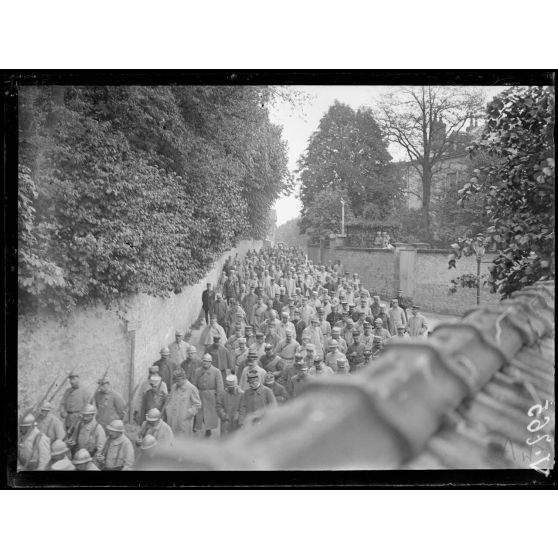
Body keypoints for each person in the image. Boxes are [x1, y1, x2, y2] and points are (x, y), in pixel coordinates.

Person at [193, 353, 224, 437]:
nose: (204, 363)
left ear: (210, 362)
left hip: (211, 396)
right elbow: (194, 384)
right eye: (203, 361)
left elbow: (220, 386)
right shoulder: (197, 371)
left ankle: (208, 429)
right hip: (200, 394)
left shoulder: (216, 371)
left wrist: (219, 398)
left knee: (209, 414)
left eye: (207, 361)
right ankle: (198, 426)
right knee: (200, 413)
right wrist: (194, 395)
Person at [166, 369, 202, 439]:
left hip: (184, 421)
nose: (176, 383)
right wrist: (168, 409)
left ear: (183, 379)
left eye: (178, 381)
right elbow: (169, 399)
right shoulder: (174, 386)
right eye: (175, 381)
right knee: (173, 438)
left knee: (183, 439)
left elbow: (197, 404)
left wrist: (187, 414)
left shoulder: (192, 388)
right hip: (173, 419)